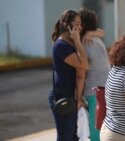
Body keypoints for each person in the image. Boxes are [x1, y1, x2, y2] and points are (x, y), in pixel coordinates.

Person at [48, 9, 87, 141]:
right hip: (62, 96)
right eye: (77, 23)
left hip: (71, 96)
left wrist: (79, 98)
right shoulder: (61, 46)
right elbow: (84, 65)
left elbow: (80, 74)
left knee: (72, 137)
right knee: (65, 137)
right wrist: (77, 41)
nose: (80, 27)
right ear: (67, 24)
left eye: (81, 23)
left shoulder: (70, 43)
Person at [78, 8, 110, 141]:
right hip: (105, 89)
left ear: (82, 25)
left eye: (77, 23)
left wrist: (78, 96)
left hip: (94, 91)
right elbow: (102, 32)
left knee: (95, 132)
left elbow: (81, 72)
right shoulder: (95, 38)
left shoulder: (84, 43)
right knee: (101, 128)